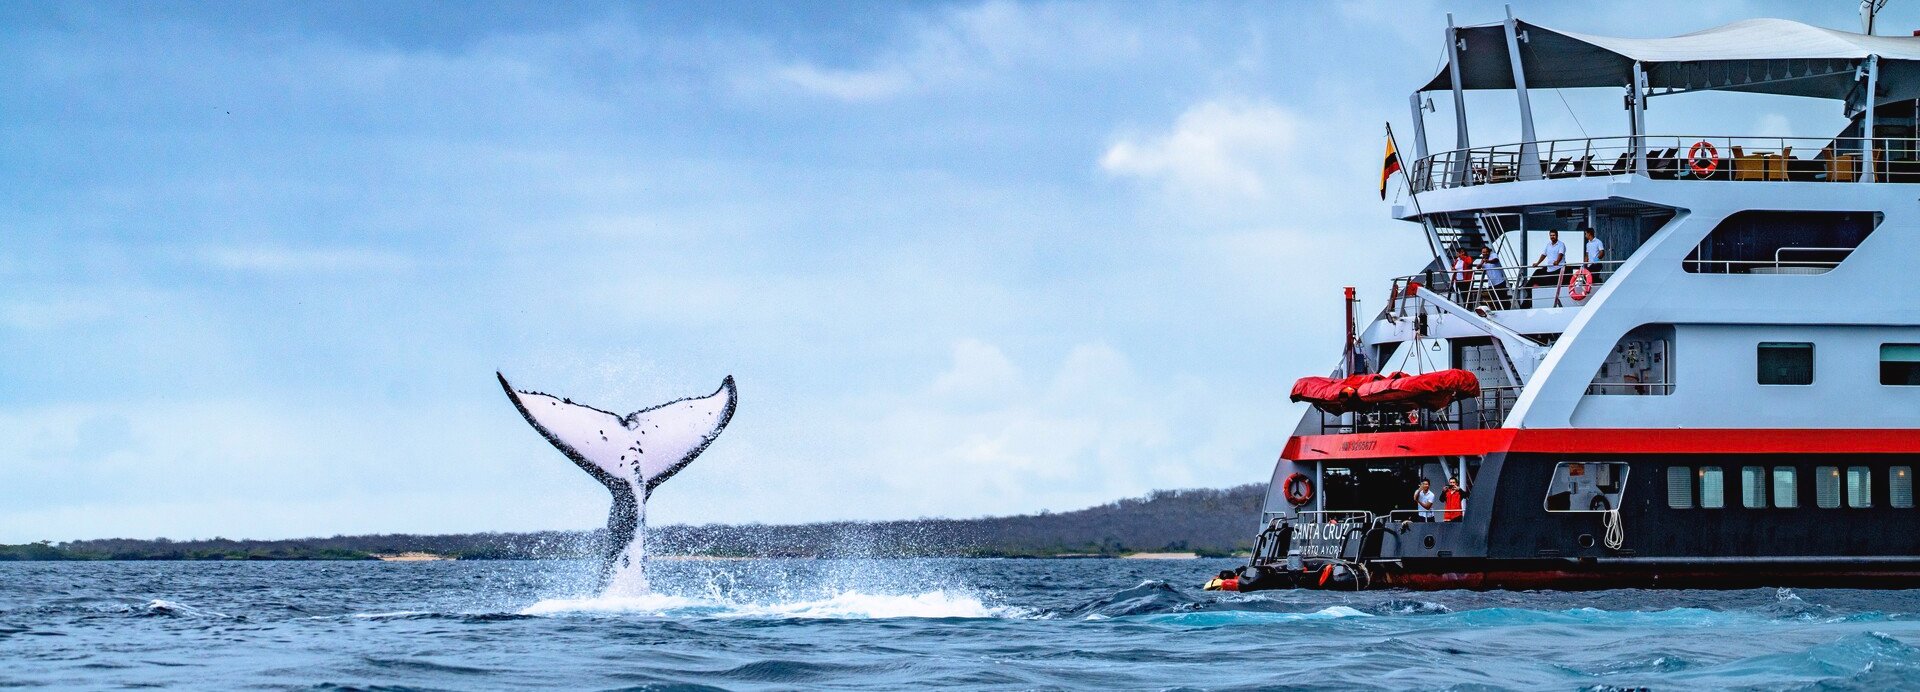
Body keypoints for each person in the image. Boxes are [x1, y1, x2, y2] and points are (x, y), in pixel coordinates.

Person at [1477, 245, 1508, 310]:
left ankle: (1506, 310)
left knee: (1503, 299)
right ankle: (1498, 310)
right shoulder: (1483, 260)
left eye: (1485, 252)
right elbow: (1478, 267)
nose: (1484, 254)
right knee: (1494, 300)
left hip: (1499, 282)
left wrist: (1488, 261)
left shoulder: (1493, 255)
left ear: (1488, 252)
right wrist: (1482, 263)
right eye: (1483, 252)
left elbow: (1496, 260)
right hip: (1491, 283)